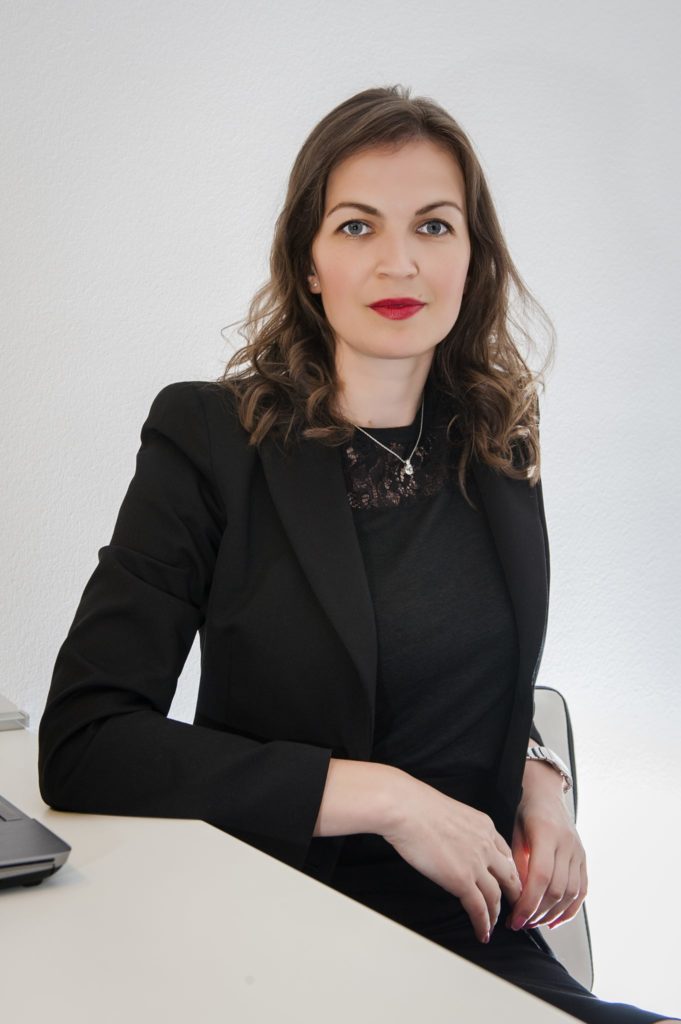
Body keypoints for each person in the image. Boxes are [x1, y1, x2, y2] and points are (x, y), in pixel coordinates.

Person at [38, 84, 678, 1023]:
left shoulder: (499, 437)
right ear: (308, 261)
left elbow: (456, 684)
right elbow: (86, 743)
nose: (397, 262)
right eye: (355, 226)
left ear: (472, 256)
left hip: (474, 933)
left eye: (433, 226)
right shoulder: (209, 437)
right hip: (279, 929)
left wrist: (540, 778)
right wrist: (384, 798)